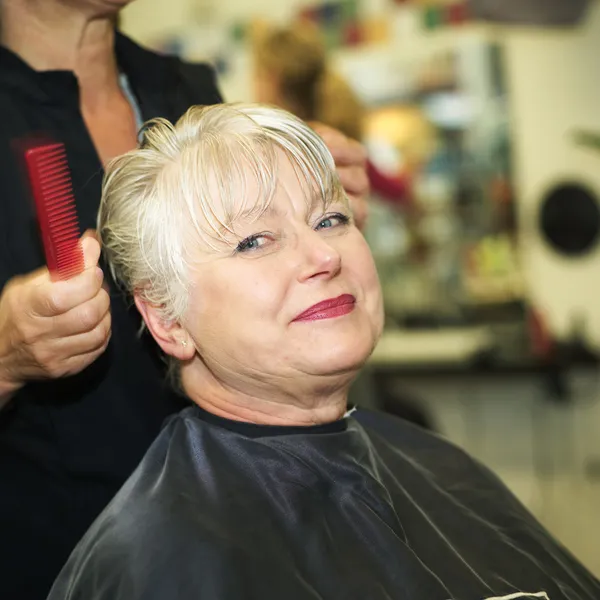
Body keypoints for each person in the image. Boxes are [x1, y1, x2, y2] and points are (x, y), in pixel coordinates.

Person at [48, 103, 599, 600]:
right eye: (253, 241)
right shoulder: (154, 561)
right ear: (167, 319)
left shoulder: (443, 471)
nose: (322, 255)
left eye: (329, 219)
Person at [0, 2, 369, 598]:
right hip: (63, 561)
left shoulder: (184, 89)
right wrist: (4, 355)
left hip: (246, 538)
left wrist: (317, 218)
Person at [253, 21, 412, 211]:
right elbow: (393, 189)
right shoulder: (332, 135)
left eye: (257, 75)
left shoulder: (283, 147)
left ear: (272, 78)